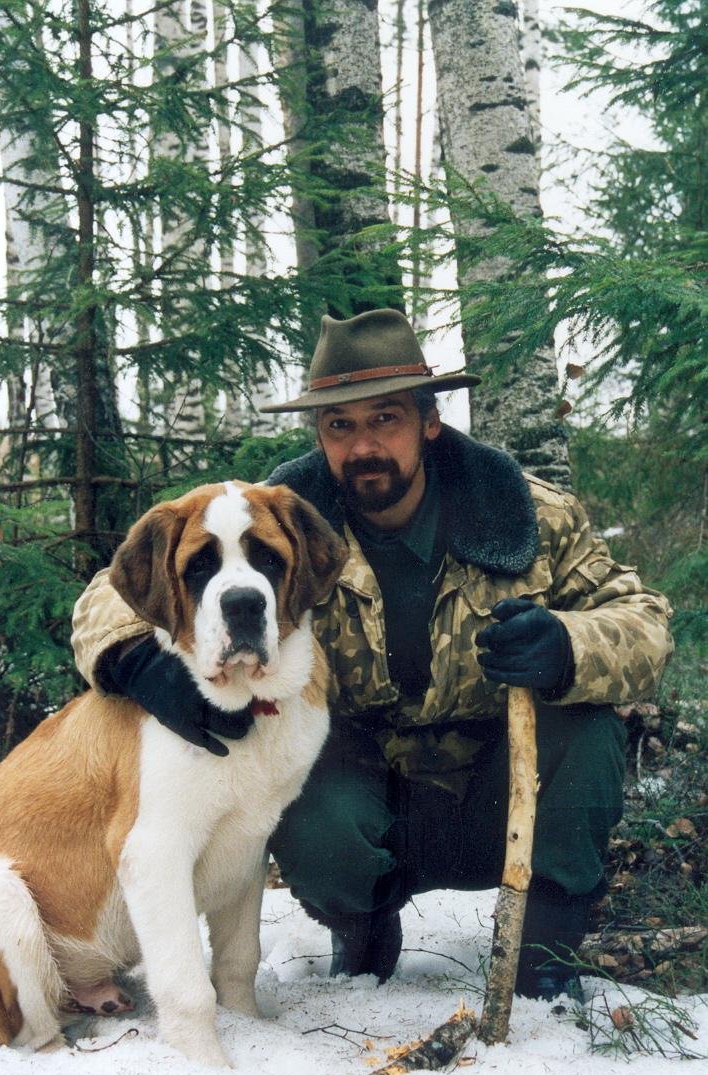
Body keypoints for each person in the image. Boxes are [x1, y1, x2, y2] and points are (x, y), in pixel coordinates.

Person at [72, 308, 673, 1001]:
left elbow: (645, 620)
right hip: (365, 794)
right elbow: (109, 595)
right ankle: (361, 935)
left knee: (589, 733)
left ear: (429, 421)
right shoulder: (284, 519)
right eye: (339, 426)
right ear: (320, 437)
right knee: (302, 790)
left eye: (385, 419)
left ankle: (545, 958)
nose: (363, 446)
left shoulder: (527, 514)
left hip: (503, 791)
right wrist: (136, 661)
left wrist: (566, 645)